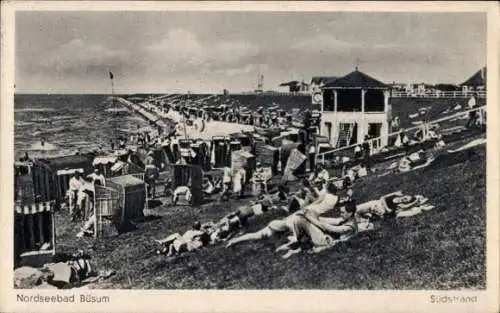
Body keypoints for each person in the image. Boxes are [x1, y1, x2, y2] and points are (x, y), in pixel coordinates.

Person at [276, 203, 359, 258]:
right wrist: (311, 214)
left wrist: (309, 217)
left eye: (343, 212)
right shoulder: (348, 219)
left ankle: (296, 245)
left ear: (350, 213)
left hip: (328, 242)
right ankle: (297, 244)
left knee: (302, 221)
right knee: (302, 219)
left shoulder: (349, 227)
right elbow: (328, 220)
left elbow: (325, 226)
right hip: (326, 237)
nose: (341, 214)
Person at [355, 191, 427, 220]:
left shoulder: (401, 205)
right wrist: (386, 207)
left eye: (406, 201)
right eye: (405, 198)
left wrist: (415, 202)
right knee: (357, 209)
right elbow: (382, 197)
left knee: (362, 220)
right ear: (405, 195)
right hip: (376, 203)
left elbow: (408, 206)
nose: (404, 199)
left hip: (380, 211)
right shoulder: (397, 194)